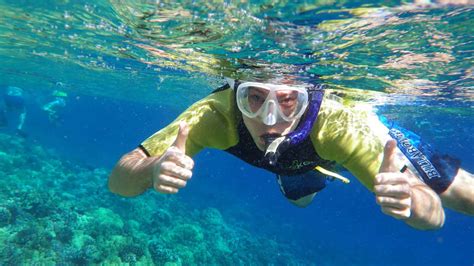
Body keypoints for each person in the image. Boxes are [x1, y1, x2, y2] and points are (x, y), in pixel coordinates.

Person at [108, 77, 472, 230]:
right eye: (254, 98)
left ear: (308, 96)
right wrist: (152, 169)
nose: (270, 120)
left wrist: (412, 199)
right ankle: (298, 174)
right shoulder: (213, 115)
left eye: (287, 100)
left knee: (457, 194)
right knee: (300, 199)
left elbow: (433, 216)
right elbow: (119, 183)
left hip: (333, 147)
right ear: (234, 93)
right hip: (299, 165)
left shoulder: (335, 124)